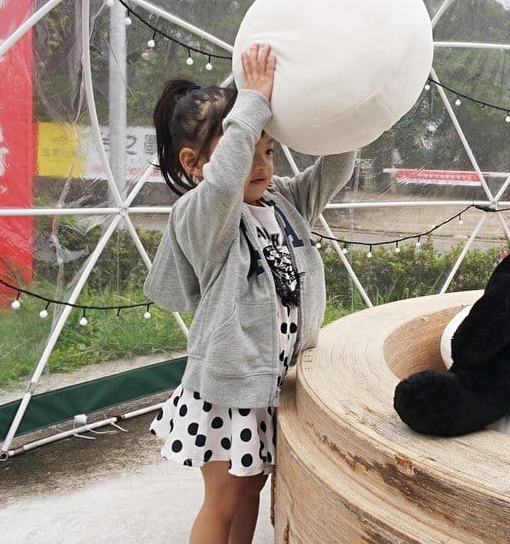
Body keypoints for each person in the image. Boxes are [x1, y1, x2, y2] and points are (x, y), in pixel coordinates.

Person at [145, 44, 355, 543]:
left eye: (268, 151)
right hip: (228, 389)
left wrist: (350, 109)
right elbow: (222, 184)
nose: (261, 166)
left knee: (251, 494)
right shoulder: (202, 214)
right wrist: (253, 101)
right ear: (195, 164)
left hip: (268, 385)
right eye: (245, 154)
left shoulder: (281, 201)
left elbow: (335, 168)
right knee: (223, 502)